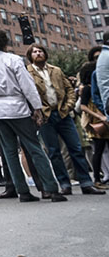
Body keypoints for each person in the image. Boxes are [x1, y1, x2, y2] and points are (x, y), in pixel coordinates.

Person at [0, 30, 65, 202]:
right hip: (17, 107)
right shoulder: (13, 60)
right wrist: (37, 108)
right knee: (34, 147)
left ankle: (22, 191)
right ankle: (51, 189)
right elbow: (27, 86)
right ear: (4, 43)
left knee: (9, 152)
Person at [25, 44, 104, 196]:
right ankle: (64, 184)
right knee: (54, 152)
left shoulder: (56, 70)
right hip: (45, 117)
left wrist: (68, 107)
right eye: (34, 52)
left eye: (40, 51)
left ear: (45, 53)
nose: (38, 53)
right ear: (30, 57)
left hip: (63, 114)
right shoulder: (27, 73)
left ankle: (86, 183)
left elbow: (69, 90)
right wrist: (37, 112)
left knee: (76, 148)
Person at [78, 62, 109, 189]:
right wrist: (100, 117)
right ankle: (97, 179)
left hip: (103, 119)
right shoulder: (87, 88)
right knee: (99, 150)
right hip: (98, 122)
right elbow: (83, 106)